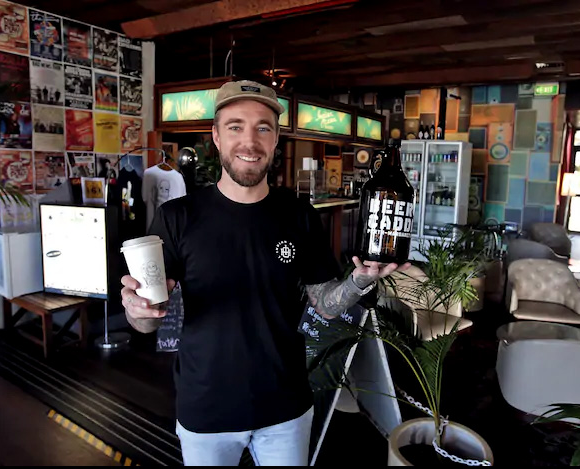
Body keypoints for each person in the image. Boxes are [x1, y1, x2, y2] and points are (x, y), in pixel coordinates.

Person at [120, 80, 407, 466]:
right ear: (216, 137)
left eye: (263, 128)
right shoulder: (177, 218)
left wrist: (359, 282)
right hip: (206, 408)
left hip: (285, 405)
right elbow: (148, 320)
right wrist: (137, 312)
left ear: (276, 141)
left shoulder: (300, 215)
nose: (249, 141)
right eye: (235, 126)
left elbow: (324, 304)